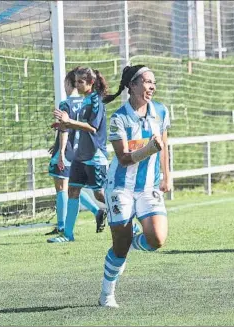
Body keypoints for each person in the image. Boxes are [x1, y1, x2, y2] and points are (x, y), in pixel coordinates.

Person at [98, 65, 171, 308]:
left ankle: (130, 241)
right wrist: (149, 148)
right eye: (147, 82)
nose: (152, 87)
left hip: (148, 185)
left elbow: (164, 145)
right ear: (132, 85)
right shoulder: (119, 118)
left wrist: (167, 176)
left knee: (157, 239)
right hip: (121, 187)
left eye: (154, 83)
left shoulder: (160, 111)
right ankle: (107, 294)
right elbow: (124, 158)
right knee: (120, 247)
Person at [47, 68, 106, 242]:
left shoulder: (96, 101)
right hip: (80, 155)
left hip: (95, 155)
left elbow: (92, 127)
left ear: (91, 83)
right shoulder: (84, 100)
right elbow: (77, 126)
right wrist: (63, 126)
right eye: (77, 81)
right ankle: (67, 235)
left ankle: (128, 224)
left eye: (81, 81)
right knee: (73, 190)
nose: (77, 84)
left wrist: (69, 122)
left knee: (100, 194)